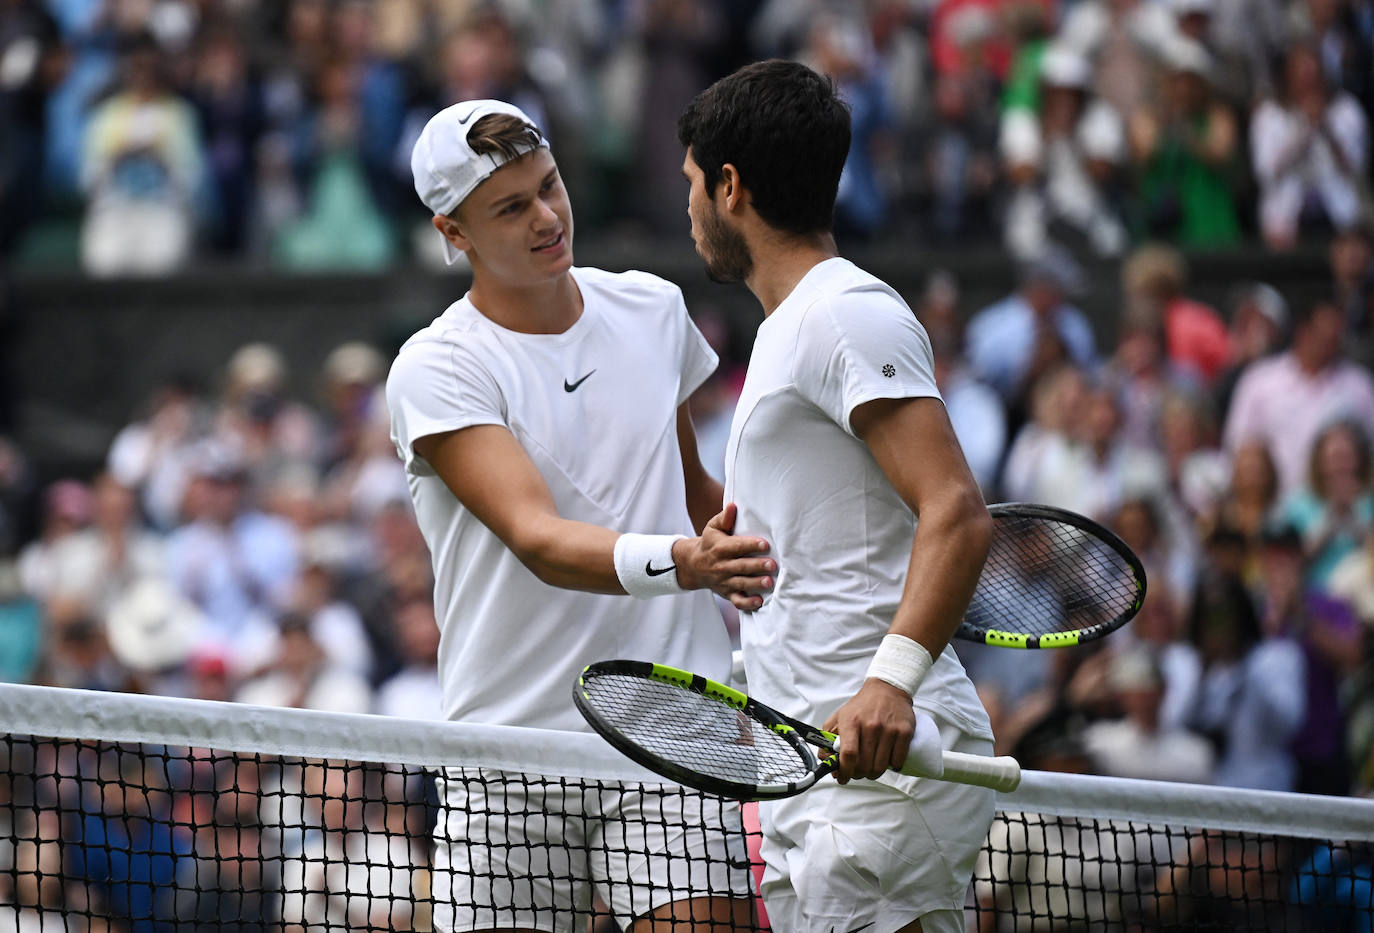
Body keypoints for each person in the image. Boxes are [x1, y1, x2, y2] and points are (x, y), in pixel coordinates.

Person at [385, 99, 769, 931]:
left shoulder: (653, 310)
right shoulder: (437, 368)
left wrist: (755, 560)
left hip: (676, 731)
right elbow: (539, 538)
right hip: (511, 754)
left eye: (550, 186)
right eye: (512, 207)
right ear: (455, 234)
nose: (548, 217)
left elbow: (695, 491)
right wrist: (686, 562)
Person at [678, 60, 996, 933]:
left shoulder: (843, 312)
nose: (691, 208)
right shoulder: (791, 332)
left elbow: (957, 512)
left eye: (694, 185)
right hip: (816, 777)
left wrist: (890, 683)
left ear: (731, 187)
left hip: (885, 771)